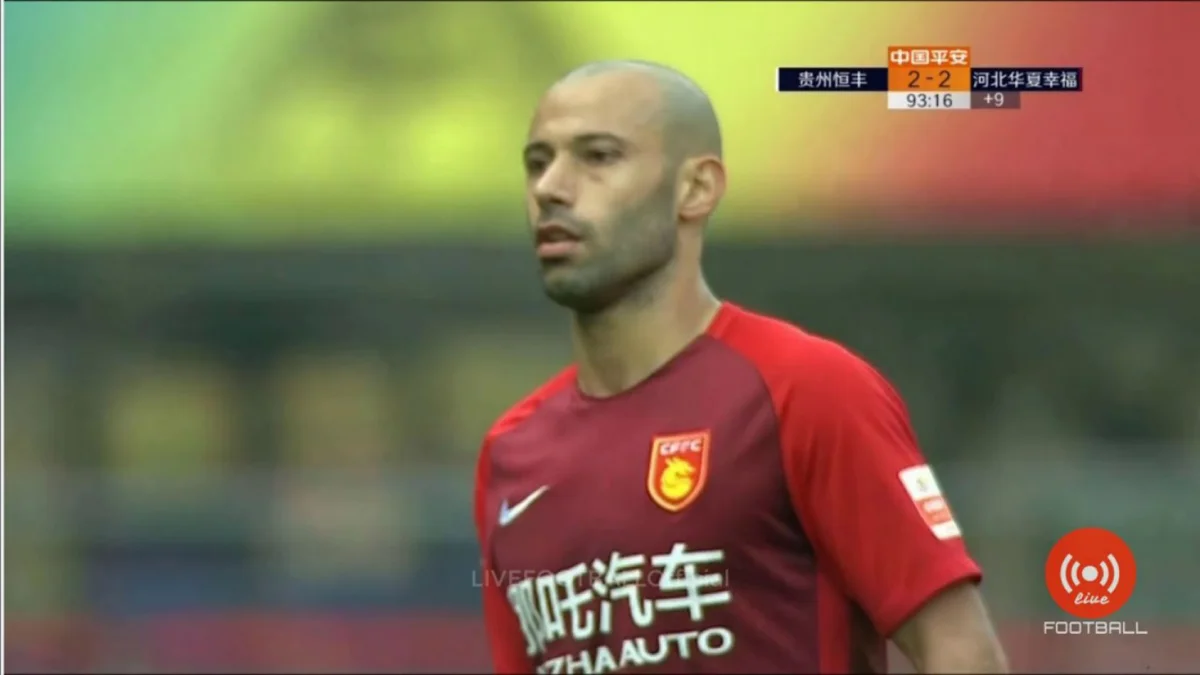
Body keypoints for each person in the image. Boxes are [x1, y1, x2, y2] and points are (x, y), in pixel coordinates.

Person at [473, 60, 1008, 674]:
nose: (551, 187)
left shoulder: (805, 388)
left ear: (696, 189)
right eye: (537, 163)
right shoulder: (510, 451)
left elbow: (960, 651)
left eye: (598, 157)